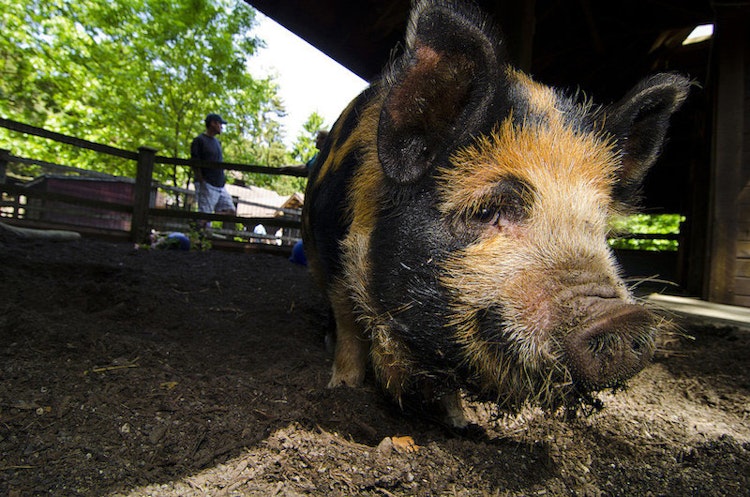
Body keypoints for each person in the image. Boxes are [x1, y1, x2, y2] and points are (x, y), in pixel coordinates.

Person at [191, 113, 236, 228]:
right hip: (207, 183)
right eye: (220, 124)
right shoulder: (199, 141)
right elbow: (195, 163)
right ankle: (199, 238)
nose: (221, 127)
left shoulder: (217, 142)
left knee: (231, 210)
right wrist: (201, 181)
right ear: (213, 123)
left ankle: (205, 219)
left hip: (220, 185)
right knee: (204, 217)